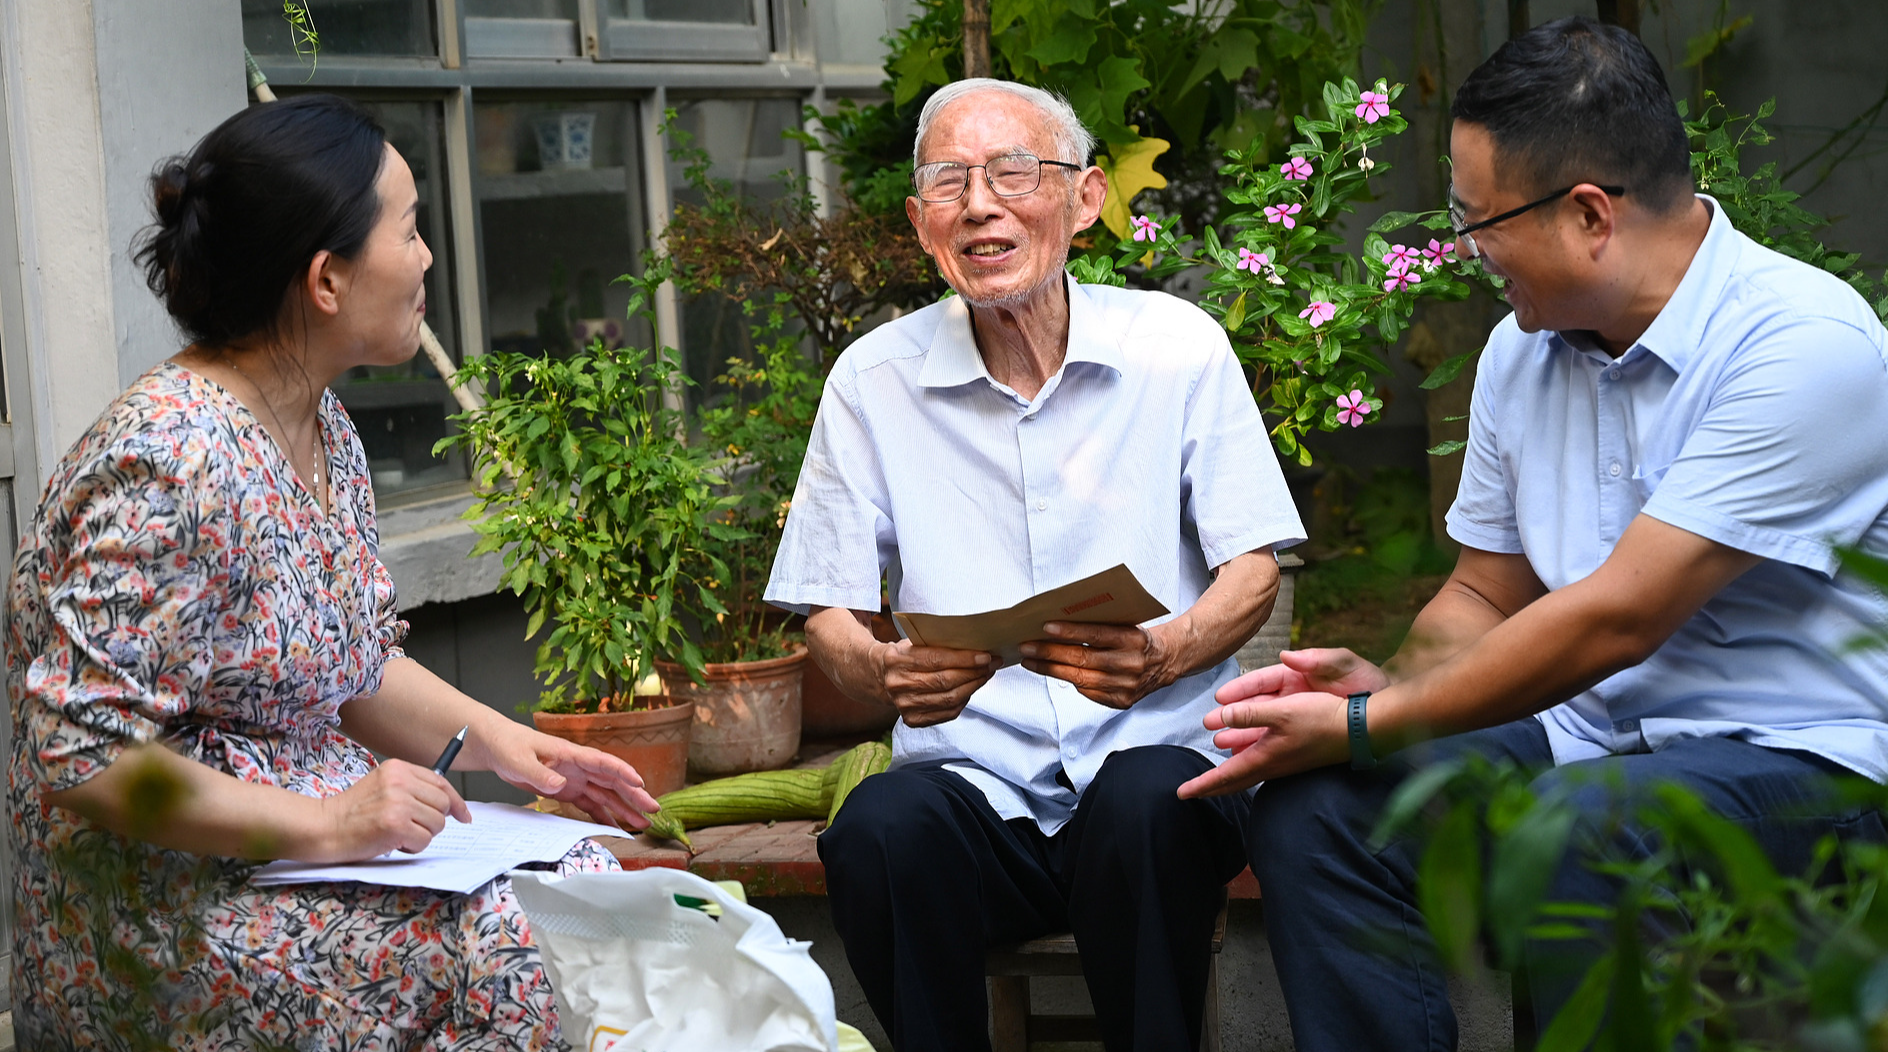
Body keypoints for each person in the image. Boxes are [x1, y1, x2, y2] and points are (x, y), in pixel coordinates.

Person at [1177, 17, 1888, 1050]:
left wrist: (1380, 724)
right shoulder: (1521, 353)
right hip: (1592, 748)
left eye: (1474, 221)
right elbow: (1484, 593)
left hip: (1826, 769)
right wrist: (1388, 693)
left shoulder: (1800, 346)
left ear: (1588, 214)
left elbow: (1616, 618)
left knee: (1581, 829)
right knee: (1321, 817)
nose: (1462, 254)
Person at [6, 94, 662, 1050]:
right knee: (521, 954)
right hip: (163, 909)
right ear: (326, 279)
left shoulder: (326, 429)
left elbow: (345, 664)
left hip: (308, 856)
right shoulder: (172, 457)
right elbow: (82, 756)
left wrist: (518, 751)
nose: (429, 256)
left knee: (583, 899)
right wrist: (329, 824)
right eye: (409, 228)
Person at [765, 77, 1305, 1052]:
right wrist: (879, 670)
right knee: (880, 831)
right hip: (975, 787)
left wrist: (1168, 652)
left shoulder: (1176, 348)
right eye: (948, 182)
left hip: (1153, 780)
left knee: (1145, 803)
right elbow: (828, 614)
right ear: (919, 220)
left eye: (1013, 172)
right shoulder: (871, 381)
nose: (979, 204)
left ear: (1085, 198)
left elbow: (1251, 569)